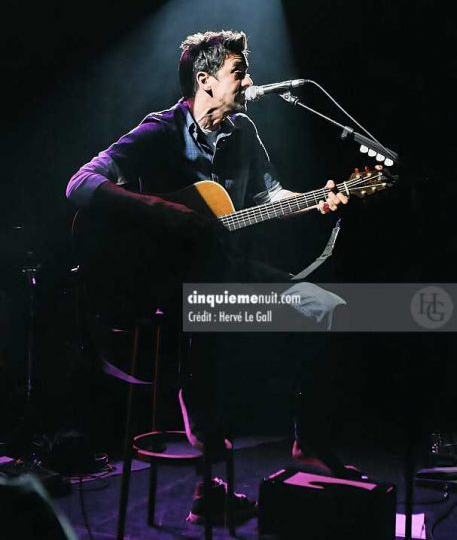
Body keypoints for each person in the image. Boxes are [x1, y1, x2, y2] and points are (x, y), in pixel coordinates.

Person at [66, 30, 351, 524]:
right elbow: (80, 184)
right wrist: (161, 210)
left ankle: (310, 441)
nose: (248, 82)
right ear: (206, 81)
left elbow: (269, 197)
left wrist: (317, 199)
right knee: (203, 322)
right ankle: (208, 483)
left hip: (225, 271)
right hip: (160, 286)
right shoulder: (157, 132)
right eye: (238, 73)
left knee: (324, 306)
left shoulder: (244, 134)